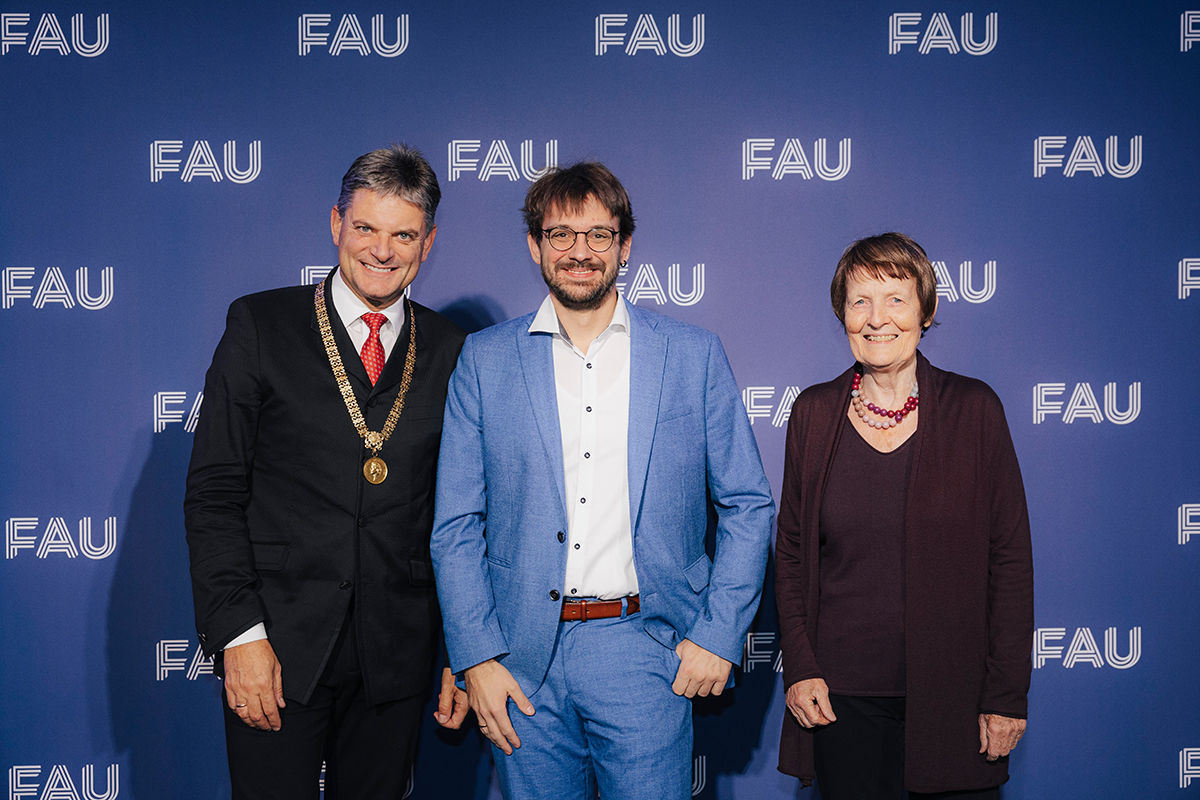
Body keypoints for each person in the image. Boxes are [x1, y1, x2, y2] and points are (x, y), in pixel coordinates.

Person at [430, 162, 774, 800]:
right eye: (560, 234)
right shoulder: (485, 359)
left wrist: (718, 633)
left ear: (625, 244)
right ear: (534, 245)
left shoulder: (691, 355)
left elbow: (748, 505)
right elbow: (455, 524)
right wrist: (475, 656)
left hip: (645, 649)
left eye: (598, 234)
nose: (580, 251)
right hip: (521, 661)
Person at [184, 144, 470, 799]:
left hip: (395, 657)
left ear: (428, 243)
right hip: (276, 647)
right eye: (366, 227)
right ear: (336, 223)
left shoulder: (454, 349)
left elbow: (459, 516)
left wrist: (463, 651)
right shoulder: (261, 324)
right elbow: (214, 495)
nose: (382, 251)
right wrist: (239, 635)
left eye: (403, 235)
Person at [775, 232, 1034, 798]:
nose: (877, 318)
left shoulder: (975, 409)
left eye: (895, 298)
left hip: (956, 696)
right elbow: (790, 556)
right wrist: (801, 667)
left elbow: (1010, 561)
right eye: (860, 301)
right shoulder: (814, 413)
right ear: (842, 314)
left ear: (926, 312)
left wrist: (1006, 695)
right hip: (840, 699)